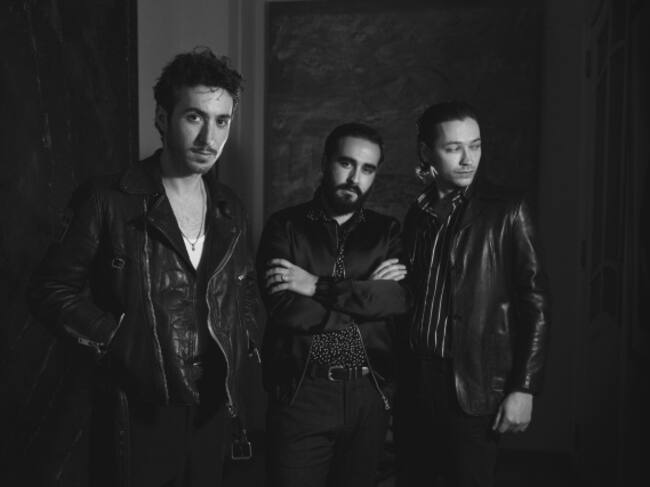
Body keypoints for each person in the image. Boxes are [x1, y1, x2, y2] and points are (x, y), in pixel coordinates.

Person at [27, 48, 262, 487]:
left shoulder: (229, 207)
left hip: (214, 404)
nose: (208, 137)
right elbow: (49, 289)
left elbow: (244, 290)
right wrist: (118, 340)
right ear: (162, 117)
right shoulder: (108, 199)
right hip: (139, 406)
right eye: (194, 117)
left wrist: (244, 340)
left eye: (222, 121)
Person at [397, 101, 551, 487]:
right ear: (426, 152)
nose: (469, 159)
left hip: (473, 384)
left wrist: (524, 387)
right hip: (416, 381)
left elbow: (535, 302)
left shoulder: (507, 210)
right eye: (454, 148)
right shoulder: (417, 213)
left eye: (476, 145)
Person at [257, 123, 409, 487]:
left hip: (368, 393)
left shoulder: (386, 231)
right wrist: (366, 298)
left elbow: (396, 300)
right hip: (302, 392)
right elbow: (287, 309)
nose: (355, 178)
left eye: (367, 169)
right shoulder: (285, 226)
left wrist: (314, 285)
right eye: (346, 163)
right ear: (325, 162)